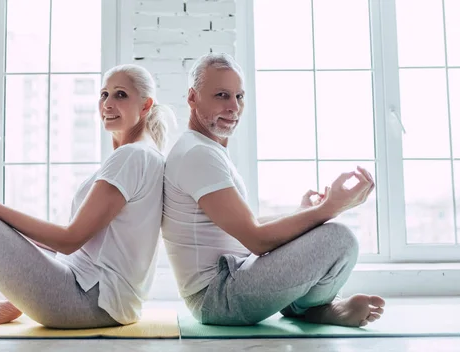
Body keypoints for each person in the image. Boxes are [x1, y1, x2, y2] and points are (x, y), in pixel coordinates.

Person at [0, 64, 175, 329]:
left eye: (120, 95)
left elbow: (69, 240)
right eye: (104, 94)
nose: (107, 103)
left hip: (89, 300)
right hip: (95, 292)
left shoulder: (131, 156)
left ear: (145, 106)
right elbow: (79, 246)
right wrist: (0, 225)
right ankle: (4, 303)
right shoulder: (144, 154)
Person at [161, 52, 385, 327]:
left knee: (316, 227)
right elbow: (257, 240)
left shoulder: (206, 150)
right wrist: (330, 208)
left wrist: (308, 213)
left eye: (239, 96)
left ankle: (313, 308)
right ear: (192, 97)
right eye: (221, 95)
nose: (234, 107)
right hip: (217, 297)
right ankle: (312, 307)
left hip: (233, 279)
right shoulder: (198, 154)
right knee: (339, 238)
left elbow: (249, 225)